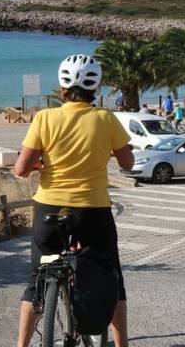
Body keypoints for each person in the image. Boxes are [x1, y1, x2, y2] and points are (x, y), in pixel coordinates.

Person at [13, 54, 134, 347]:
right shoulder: (105, 119)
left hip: (49, 209)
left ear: (62, 88)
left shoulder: (44, 117)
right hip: (93, 211)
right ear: (97, 88)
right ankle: (122, 345)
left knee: (36, 282)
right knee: (112, 280)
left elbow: (20, 169)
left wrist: (42, 166)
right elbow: (128, 163)